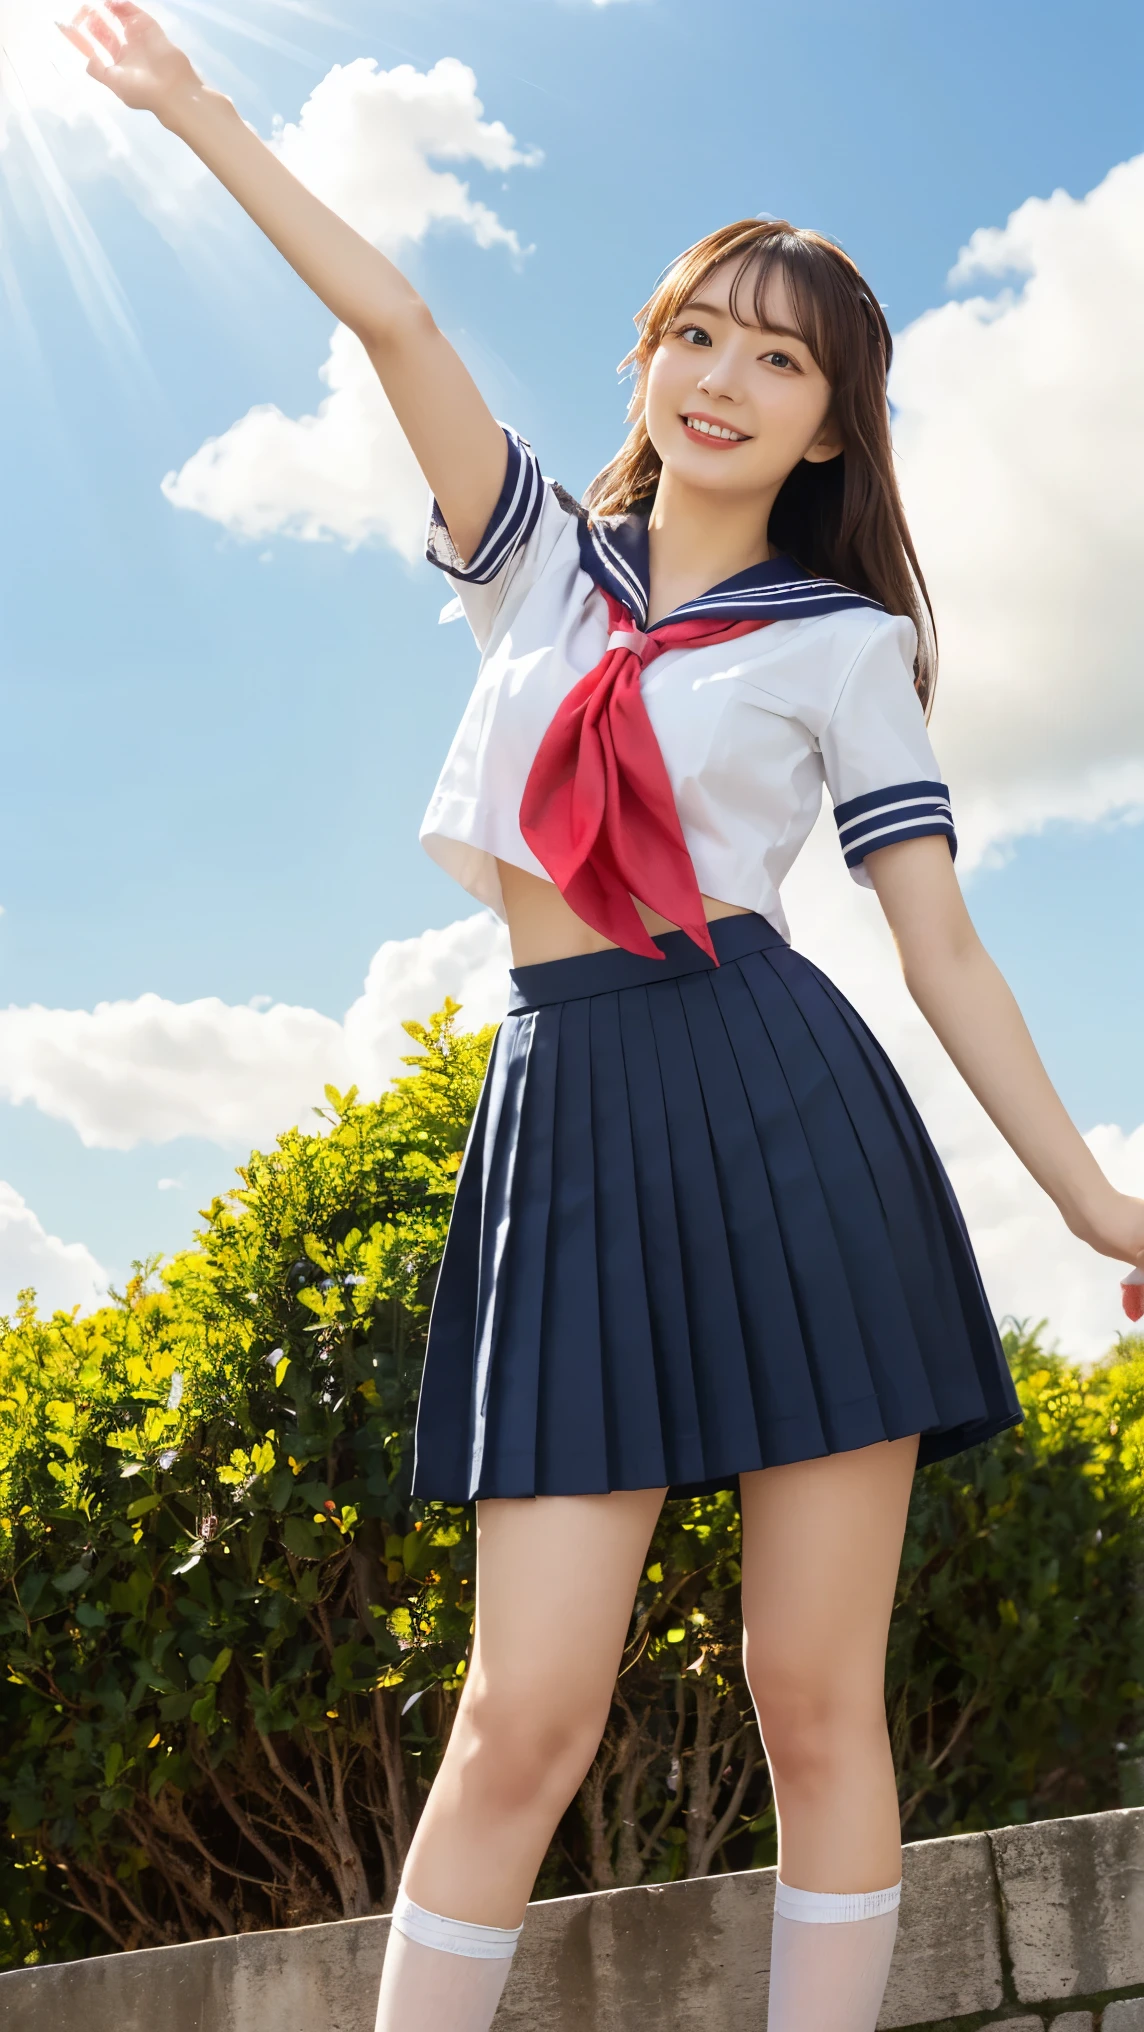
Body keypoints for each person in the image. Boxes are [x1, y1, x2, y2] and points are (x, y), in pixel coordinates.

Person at [66, 8, 1144, 2027]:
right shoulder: (537, 563)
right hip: (565, 1112)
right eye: (697, 333)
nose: (725, 377)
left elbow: (940, 943)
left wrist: (1089, 1193)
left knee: (807, 1693)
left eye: (780, 354)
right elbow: (395, 325)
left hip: (776, 1100)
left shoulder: (840, 642)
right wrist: (204, 116)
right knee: (515, 1714)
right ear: (643, 355)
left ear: (830, 425)